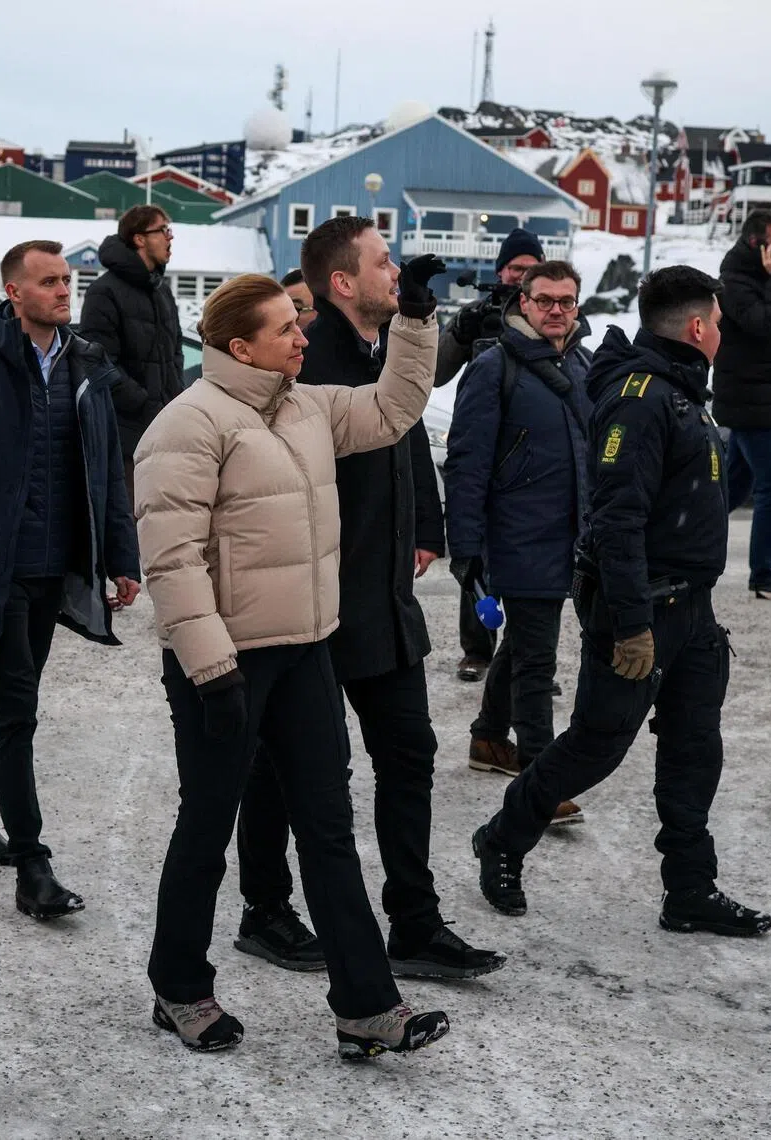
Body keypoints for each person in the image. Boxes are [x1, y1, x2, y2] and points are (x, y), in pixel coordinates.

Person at [135, 268, 451, 1058]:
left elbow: (392, 409)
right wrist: (211, 667)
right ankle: (178, 988)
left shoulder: (308, 408)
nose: (303, 337)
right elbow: (171, 563)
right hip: (226, 664)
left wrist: (415, 321)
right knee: (207, 828)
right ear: (241, 346)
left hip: (308, 651)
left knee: (328, 829)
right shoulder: (187, 426)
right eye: (287, 329)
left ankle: (368, 1006)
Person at [234, 216, 504, 981]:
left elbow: (407, 429)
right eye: (385, 264)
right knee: (284, 772)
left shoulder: (385, 354)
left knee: (408, 755)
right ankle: (265, 907)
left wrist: (425, 521)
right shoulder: (301, 366)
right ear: (342, 282)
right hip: (311, 609)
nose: (397, 273)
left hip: (383, 602)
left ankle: (414, 923)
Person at [472, 266, 771, 938]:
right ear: (697, 327)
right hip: (639, 607)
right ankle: (502, 837)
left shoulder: (684, 393)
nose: (722, 332)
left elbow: (689, 498)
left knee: (696, 748)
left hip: (691, 608)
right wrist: (633, 624)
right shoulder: (642, 399)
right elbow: (615, 520)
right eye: (719, 322)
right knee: (596, 746)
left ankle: (690, 890)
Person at [0, 239, 140, 921]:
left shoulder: (82, 365)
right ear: (14, 292)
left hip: (53, 568)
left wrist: (119, 557)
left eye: (67, 280)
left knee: (17, 694)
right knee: (17, 707)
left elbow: (106, 469)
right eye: (48, 281)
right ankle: (33, 863)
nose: (64, 291)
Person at [446, 262, 591, 825]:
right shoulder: (492, 367)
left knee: (525, 645)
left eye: (567, 301)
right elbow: (466, 463)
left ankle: (487, 739)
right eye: (546, 300)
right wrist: (467, 550)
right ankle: (539, 779)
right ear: (523, 304)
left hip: (569, 535)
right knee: (538, 659)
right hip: (519, 534)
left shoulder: (579, 362)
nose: (557, 310)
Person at [438, 228, 547, 683]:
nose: (521, 277)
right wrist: (460, 331)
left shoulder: (549, 315)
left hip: (536, 457)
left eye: (530, 269)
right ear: (501, 271)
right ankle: (477, 650)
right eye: (515, 268)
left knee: (536, 566)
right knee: (475, 555)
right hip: (485, 449)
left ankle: (530, 655)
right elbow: (436, 374)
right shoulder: (478, 316)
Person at [712, 209, 771, 601]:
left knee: (729, 491)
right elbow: (766, 326)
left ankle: (679, 544)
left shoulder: (757, 278)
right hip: (749, 403)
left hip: (761, 398)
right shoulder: (735, 282)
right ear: (757, 243)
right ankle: (762, 575)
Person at [79, 204, 184, 499]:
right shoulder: (104, 291)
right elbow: (99, 361)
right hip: (128, 439)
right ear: (139, 239)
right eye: (163, 230)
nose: (170, 237)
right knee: (135, 527)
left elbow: (176, 350)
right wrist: (145, 403)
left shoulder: (161, 290)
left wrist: (175, 397)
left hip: (168, 429)